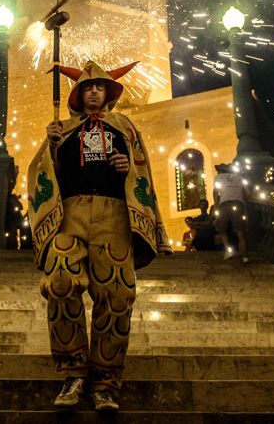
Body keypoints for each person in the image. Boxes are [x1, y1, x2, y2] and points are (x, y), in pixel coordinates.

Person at [27, 60, 172, 412]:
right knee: (59, 280)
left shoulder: (125, 127)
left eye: (100, 87)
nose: (94, 91)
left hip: (114, 217)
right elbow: (41, 174)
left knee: (117, 295)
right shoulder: (60, 129)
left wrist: (126, 168)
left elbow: (142, 170)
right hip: (70, 216)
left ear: (108, 93)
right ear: (77, 94)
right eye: (88, 87)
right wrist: (51, 148)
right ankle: (73, 372)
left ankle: (106, 382)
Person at [213, 170, 251, 263]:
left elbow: (215, 191)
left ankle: (228, 250)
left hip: (224, 204)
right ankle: (245, 257)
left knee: (221, 228)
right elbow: (248, 192)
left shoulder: (218, 177)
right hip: (238, 204)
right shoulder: (240, 178)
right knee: (240, 232)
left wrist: (216, 205)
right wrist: (242, 201)